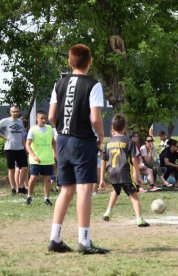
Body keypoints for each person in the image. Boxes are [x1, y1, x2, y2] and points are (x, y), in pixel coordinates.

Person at [47, 44, 108, 254]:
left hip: (62, 139)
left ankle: (55, 238)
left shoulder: (59, 83)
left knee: (66, 189)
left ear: (69, 61)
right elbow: (94, 117)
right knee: (83, 188)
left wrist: (60, 133)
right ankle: (84, 240)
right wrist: (100, 134)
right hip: (82, 140)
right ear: (90, 61)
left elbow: (51, 117)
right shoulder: (93, 84)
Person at [99, 114, 150, 227]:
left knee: (116, 190)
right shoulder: (128, 141)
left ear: (113, 127)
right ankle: (139, 219)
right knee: (134, 195)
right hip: (124, 172)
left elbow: (103, 161)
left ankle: (108, 212)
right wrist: (137, 173)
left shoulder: (108, 142)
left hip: (111, 172)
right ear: (125, 127)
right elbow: (134, 158)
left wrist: (102, 178)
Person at [24, 110, 56, 205]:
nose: (43, 120)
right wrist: (33, 156)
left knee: (47, 179)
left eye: (45, 118)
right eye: (41, 118)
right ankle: (29, 197)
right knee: (33, 178)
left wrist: (55, 154)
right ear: (37, 119)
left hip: (48, 159)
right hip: (36, 160)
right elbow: (27, 144)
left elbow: (53, 142)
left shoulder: (50, 128)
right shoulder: (33, 129)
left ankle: (46, 198)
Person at [0, 105, 28, 196]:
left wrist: (25, 147)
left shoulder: (20, 121)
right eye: (13, 111)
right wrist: (4, 137)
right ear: (10, 112)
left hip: (20, 148)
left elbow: (22, 136)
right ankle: (13, 188)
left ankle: (20, 187)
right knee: (11, 169)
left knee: (25, 168)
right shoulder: (5, 121)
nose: (15, 113)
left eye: (17, 111)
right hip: (10, 148)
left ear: (19, 112)